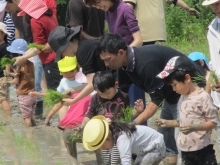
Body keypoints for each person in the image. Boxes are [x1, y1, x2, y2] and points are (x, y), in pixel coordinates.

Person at [95, 33, 206, 165]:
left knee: (186, 138)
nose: (107, 64)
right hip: (170, 93)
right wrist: (112, 120)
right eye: (104, 61)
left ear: (121, 52)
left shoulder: (145, 63)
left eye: (108, 59)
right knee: (165, 137)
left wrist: (132, 124)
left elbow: (155, 101)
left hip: (190, 90)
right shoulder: (123, 66)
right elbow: (119, 96)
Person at [155, 56, 218, 165]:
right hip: (186, 150)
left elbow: (213, 122)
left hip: (203, 150)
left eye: (175, 85)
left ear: (187, 78)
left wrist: (196, 127)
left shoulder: (203, 97)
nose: (174, 89)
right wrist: (167, 122)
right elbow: (185, 122)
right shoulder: (182, 97)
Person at [64, 71, 136, 165]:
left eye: (108, 93)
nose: (105, 96)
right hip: (102, 136)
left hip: (118, 135)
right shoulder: (95, 98)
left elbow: (127, 116)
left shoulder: (124, 97)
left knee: (116, 161)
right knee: (104, 161)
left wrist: (136, 112)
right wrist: (83, 127)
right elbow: (88, 115)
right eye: (101, 94)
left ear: (116, 85)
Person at [3, 0, 58, 119]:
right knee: (57, 89)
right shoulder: (49, 15)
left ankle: (60, 121)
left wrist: (23, 58)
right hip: (58, 55)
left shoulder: (36, 20)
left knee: (54, 93)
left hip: (49, 59)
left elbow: (38, 46)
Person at [83, 115, 166, 165]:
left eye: (103, 145)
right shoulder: (116, 132)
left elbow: (125, 160)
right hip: (145, 149)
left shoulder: (122, 138)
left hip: (155, 147)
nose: (103, 148)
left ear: (108, 135)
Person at [123, 0, 199, 45]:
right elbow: (175, 0)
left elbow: (128, 6)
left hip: (143, 30)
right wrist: (187, 8)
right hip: (157, 29)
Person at [6, 39, 36, 127]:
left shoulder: (19, 66)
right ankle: (34, 128)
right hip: (33, 94)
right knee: (31, 115)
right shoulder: (31, 63)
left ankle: (29, 134)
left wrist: (7, 82)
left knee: (26, 117)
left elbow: (16, 81)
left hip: (23, 94)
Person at [202, 0, 220, 92]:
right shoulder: (212, 28)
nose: (215, 8)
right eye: (212, 5)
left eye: (218, 3)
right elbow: (214, 59)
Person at [0, 22, 11, 116]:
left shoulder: (4, 48)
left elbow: (7, 63)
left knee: (2, 98)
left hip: (2, 77)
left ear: (3, 34)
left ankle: (8, 117)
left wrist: (6, 77)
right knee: (3, 98)